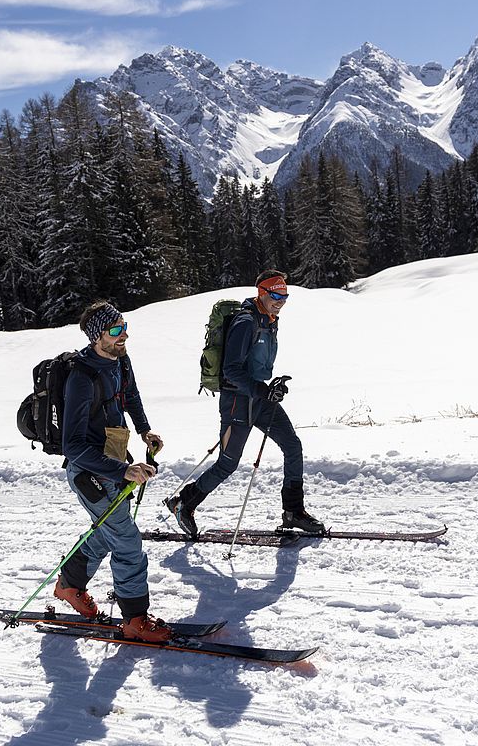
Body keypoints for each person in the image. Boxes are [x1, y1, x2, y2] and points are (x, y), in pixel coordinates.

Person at [166, 270, 325, 537]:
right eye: (276, 294)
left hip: (259, 400)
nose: (281, 300)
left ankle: (293, 511)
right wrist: (263, 390)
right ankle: (184, 503)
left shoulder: (269, 320)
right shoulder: (245, 321)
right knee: (228, 463)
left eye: (285, 295)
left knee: (292, 446)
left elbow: (256, 366)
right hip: (237, 402)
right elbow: (231, 370)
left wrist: (272, 388)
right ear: (261, 292)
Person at [56, 300, 170, 642]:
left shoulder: (120, 360)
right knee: (127, 542)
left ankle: (70, 585)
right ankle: (135, 619)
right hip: (90, 471)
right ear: (97, 337)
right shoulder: (81, 378)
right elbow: (73, 446)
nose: (124, 336)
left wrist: (145, 430)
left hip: (116, 460)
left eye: (125, 328)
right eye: (116, 331)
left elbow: (130, 396)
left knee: (110, 532)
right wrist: (122, 472)